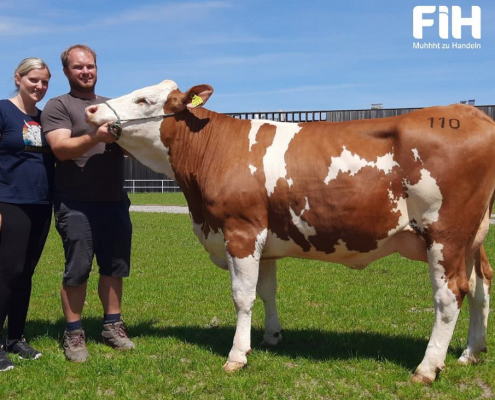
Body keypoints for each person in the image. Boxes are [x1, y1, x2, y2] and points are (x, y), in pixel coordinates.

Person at [41, 44, 135, 363]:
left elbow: (130, 147)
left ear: (97, 68)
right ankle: (74, 333)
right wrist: (97, 136)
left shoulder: (113, 105)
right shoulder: (59, 106)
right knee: (77, 270)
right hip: (76, 203)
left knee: (114, 268)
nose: (86, 72)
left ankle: (112, 326)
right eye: (78, 67)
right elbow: (61, 149)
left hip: (114, 201)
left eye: (90, 66)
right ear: (67, 72)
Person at [0, 58, 54, 372]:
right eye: (34, 80)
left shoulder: (45, 118)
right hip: (10, 202)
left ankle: (16, 338)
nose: (39, 86)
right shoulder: (4, 111)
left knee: (26, 273)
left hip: (40, 203)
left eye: (45, 82)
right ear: (18, 78)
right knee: (7, 273)